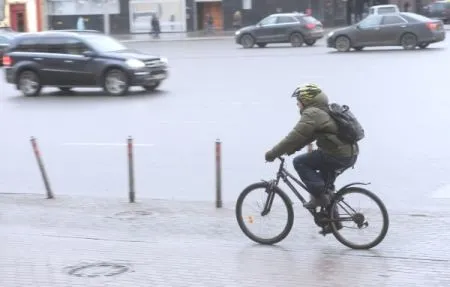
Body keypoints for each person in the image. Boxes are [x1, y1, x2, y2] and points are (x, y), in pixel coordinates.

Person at [264, 84, 358, 210]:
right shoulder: (324, 110)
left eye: (298, 101)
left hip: (336, 155)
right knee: (325, 186)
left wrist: (272, 153)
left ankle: (319, 198)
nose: (297, 104)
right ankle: (331, 222)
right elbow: (307, 137)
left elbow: (293, 137)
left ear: (306, 100)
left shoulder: (312, 113)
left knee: (300, 162)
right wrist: (292, 149)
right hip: (349, 154)